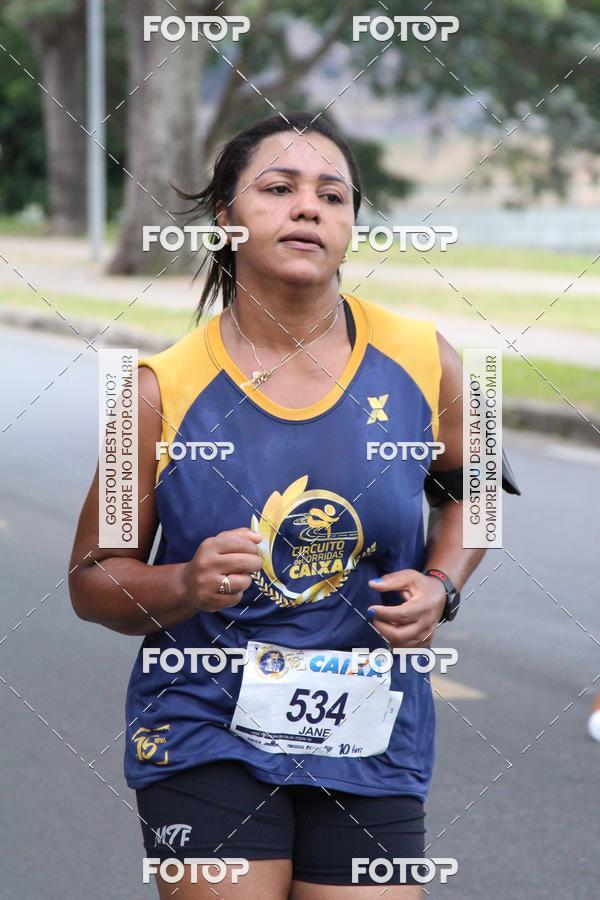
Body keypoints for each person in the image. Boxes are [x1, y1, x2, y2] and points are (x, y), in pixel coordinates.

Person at [69, 112, 489, 899]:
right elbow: (92, 578)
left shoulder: (435, 356)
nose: (309, 208)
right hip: (204, 724)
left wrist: (445, 584)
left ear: (352, 226)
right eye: (279, 188)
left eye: (332, 195)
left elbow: (484, 498)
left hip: (372, 723)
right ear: (226, 217)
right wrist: (184, 585)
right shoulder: (151, 390)